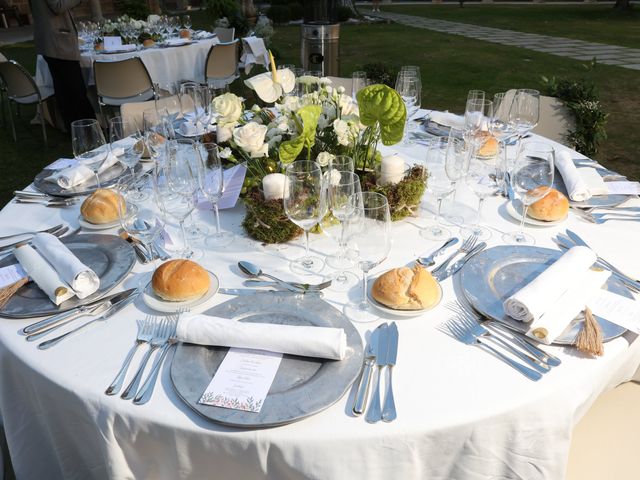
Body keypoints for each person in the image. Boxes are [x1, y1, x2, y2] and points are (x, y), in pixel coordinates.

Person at [29, 0, 95, 131]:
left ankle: (74, 130)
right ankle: (89, 131)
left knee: (64, 90)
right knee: (76, 91)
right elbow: (58, 6)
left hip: (51, 40)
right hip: (58, 41)